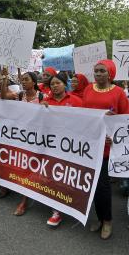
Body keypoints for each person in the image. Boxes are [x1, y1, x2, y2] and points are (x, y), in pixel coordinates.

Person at [83, 59, 129, 239]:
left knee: (102, 186)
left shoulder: (118, 92)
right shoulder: (88, 89)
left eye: (102, 71)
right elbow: (82, 113)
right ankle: (99, 217)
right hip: (90, 144)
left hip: (107, 146)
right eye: (96, 71)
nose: (98, 74)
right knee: (92, 185)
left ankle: (108, 220)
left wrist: (116, 136)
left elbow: (126, 119)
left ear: (110, 73)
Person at [42, 73, 83, 227]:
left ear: (64, 84)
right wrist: (40, 110)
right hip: (52, 146)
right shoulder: (45, 102)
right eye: (52, 84)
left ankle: (73, 203)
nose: (54, 86)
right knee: (54, 176)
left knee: (69, 176)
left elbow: (86, 122)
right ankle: (56, 210)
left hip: (71, 146)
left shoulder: (77, 101)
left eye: (58, 83)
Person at [13, 71, 45, 215]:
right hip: (24, 137)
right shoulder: (20, 96)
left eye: (26, 80)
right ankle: (25, 200)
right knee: (25, 167)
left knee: (39, 168)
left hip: (39, 139)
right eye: (22, 80)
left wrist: (46, 107)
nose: (23, 82)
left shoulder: (42, 96)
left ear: (34, 82)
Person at [0, 69, 17, 199]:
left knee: (4, 157)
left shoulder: (12, 93)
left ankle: (6, 187)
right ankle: (0, 182)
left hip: (7, 131)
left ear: (5, 80)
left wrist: (5, 79)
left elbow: (4, 98)